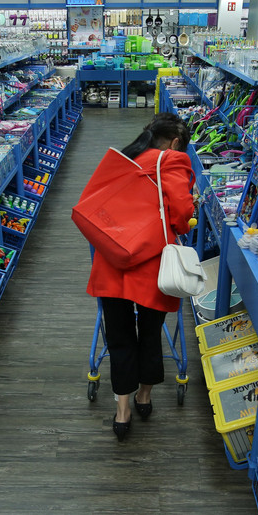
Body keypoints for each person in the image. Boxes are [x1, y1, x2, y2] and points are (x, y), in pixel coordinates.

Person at [85, 113, 196, 442]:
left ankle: (122, 411)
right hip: (152, 266)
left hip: (113, 261)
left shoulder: (123, 158)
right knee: (149, 334)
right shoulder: (172, 162)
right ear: (175, 143)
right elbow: (181, 214)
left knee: (118, 338)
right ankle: (144, 397)